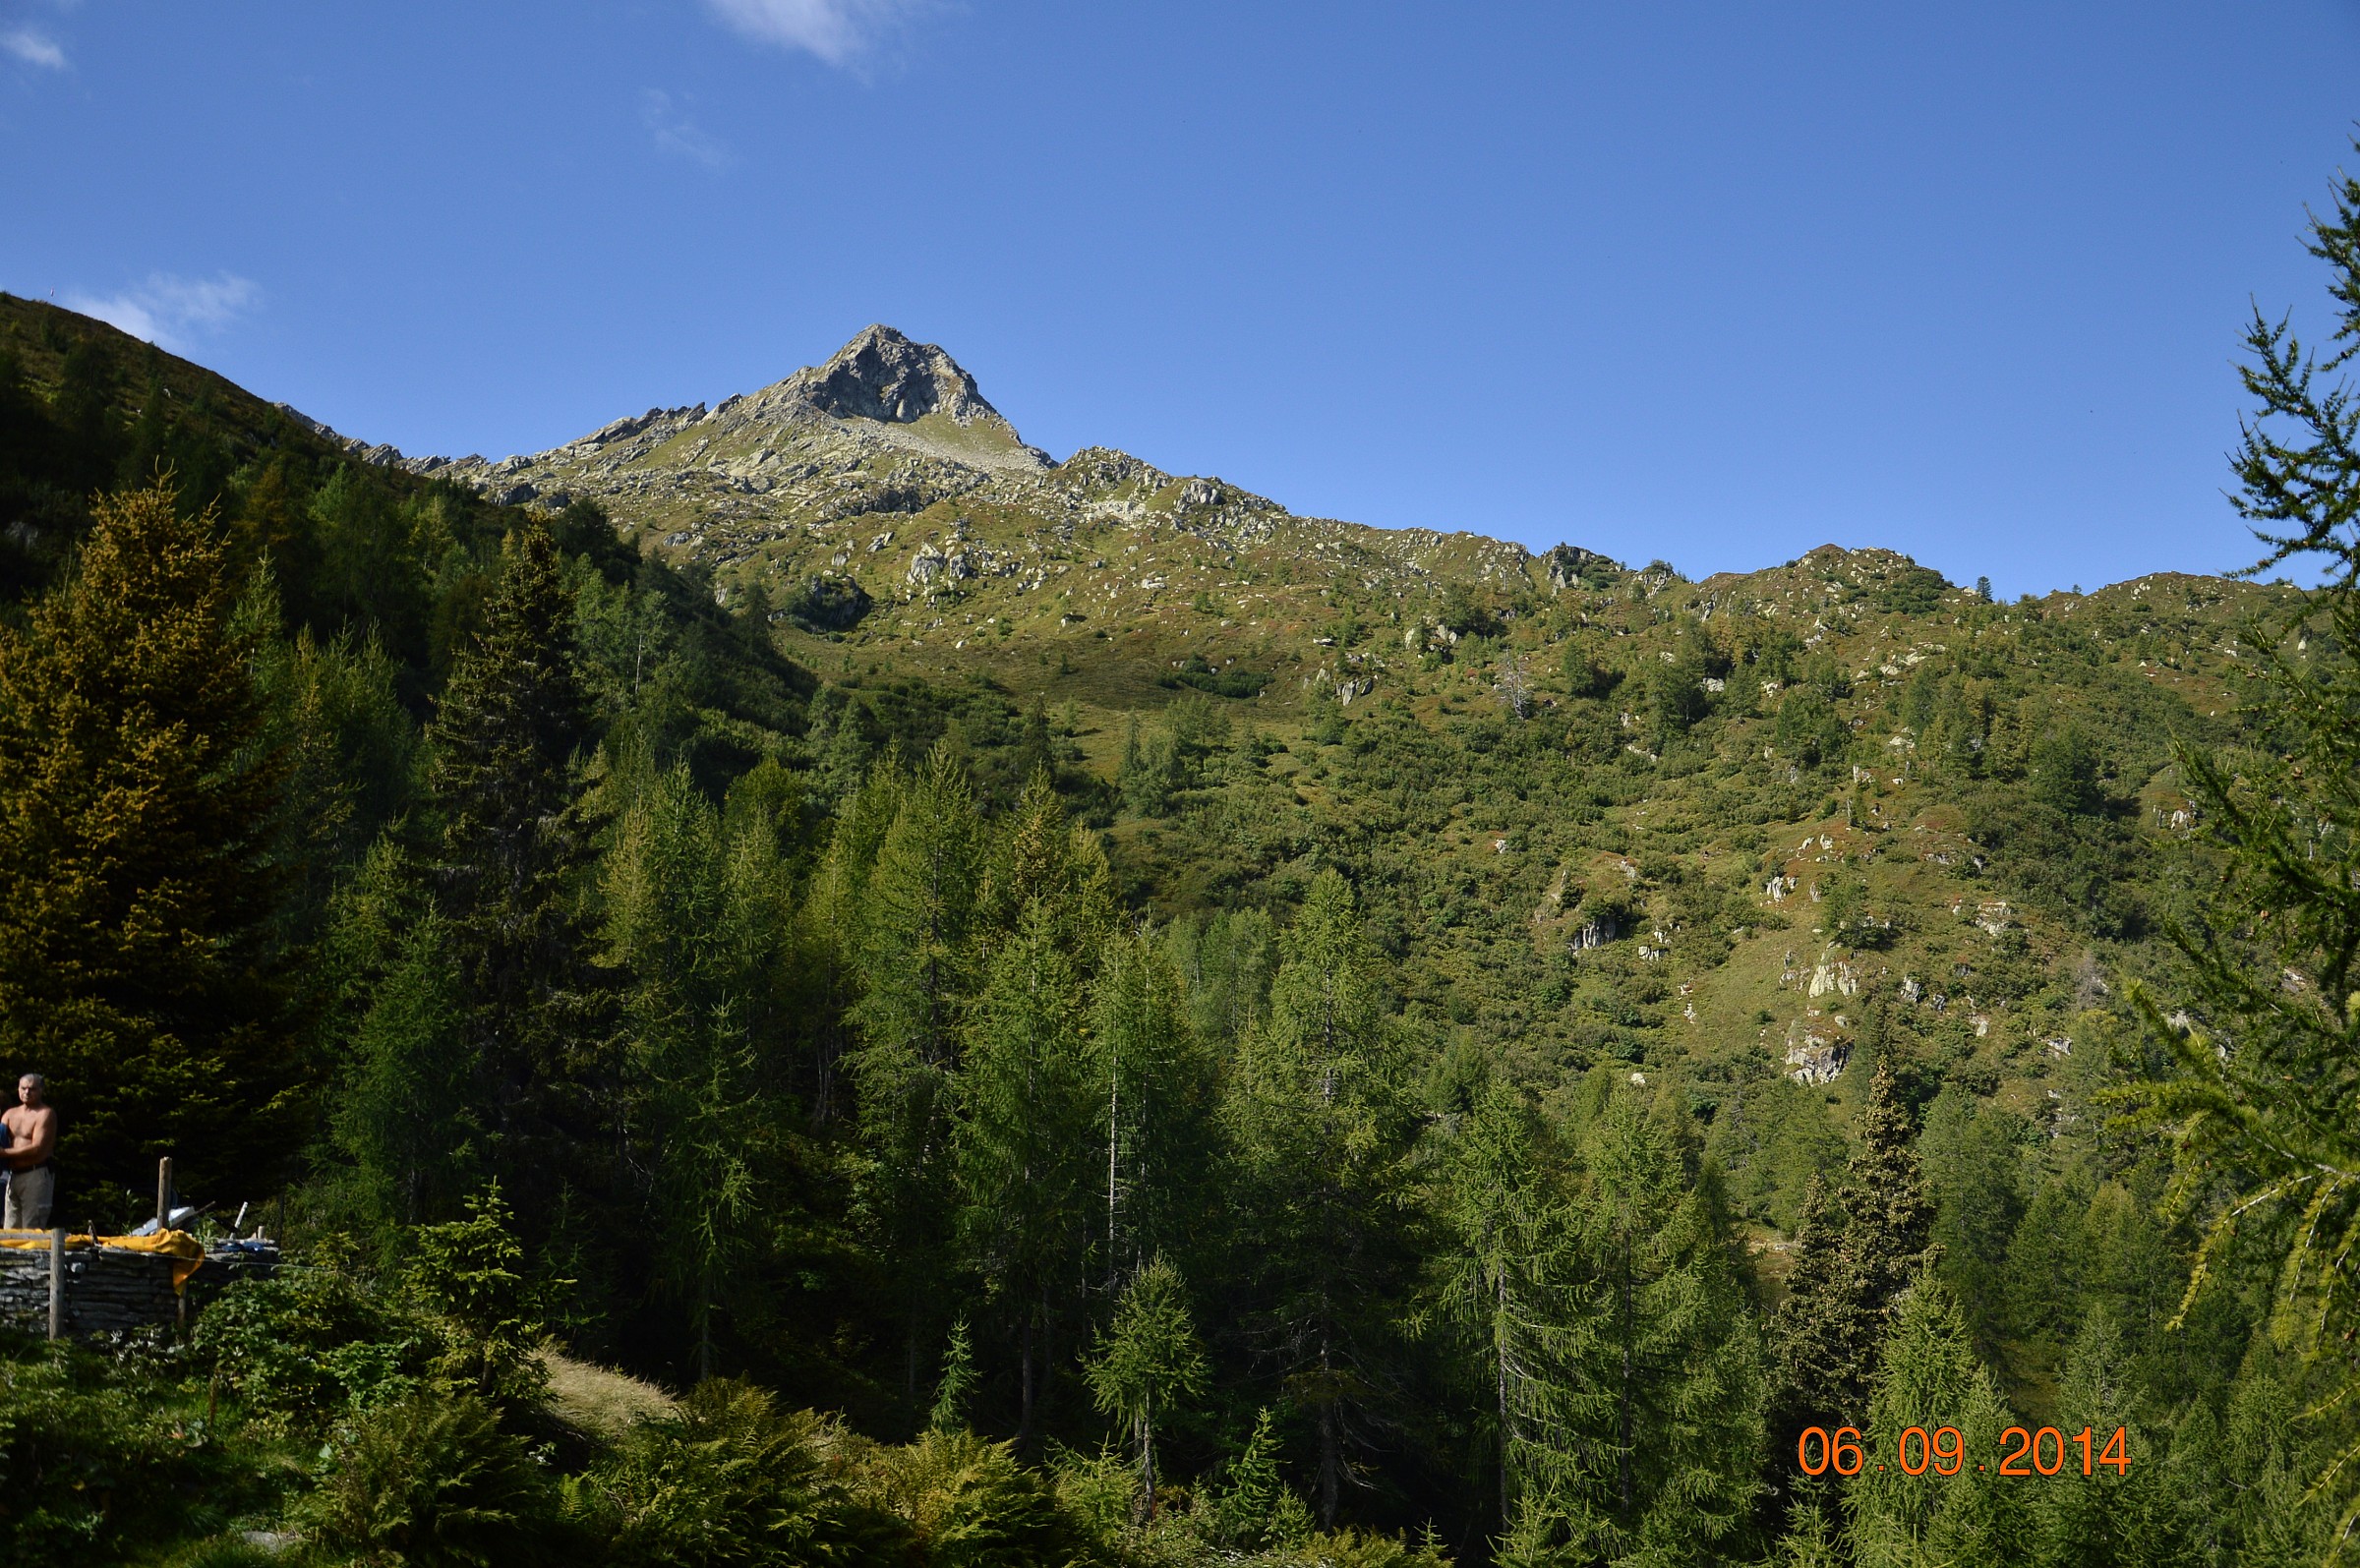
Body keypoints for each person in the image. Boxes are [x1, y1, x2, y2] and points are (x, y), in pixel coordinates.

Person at [3, 1074, 58, 1230]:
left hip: (36, 1174)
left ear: (41, 1090)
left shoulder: (45, 1114)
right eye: (23, 1088)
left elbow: (37, 1148)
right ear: (18, 1089)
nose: (27, 1092)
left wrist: (4, 1153)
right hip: (13, 1175)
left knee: (32, 1228)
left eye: (32, 1089)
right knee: (10, 1230)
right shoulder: (10, 1114)